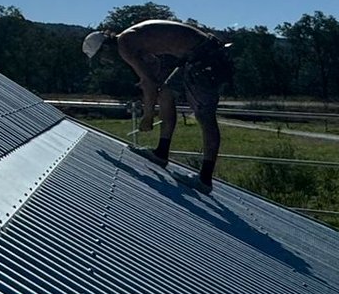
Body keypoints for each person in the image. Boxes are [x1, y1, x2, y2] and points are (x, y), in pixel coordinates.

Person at [84, 19, 233, 192]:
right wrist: (149, 81)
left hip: (203, 59)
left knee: (205, 116)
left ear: (105, 48)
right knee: (166, 94)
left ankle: (205, 180)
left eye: (101, 57)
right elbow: (153, 70)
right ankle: (161, 153)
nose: (105, 61)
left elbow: (150, 84)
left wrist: (148, 117)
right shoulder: (131, 38)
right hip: (195, 56)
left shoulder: (124, 44)